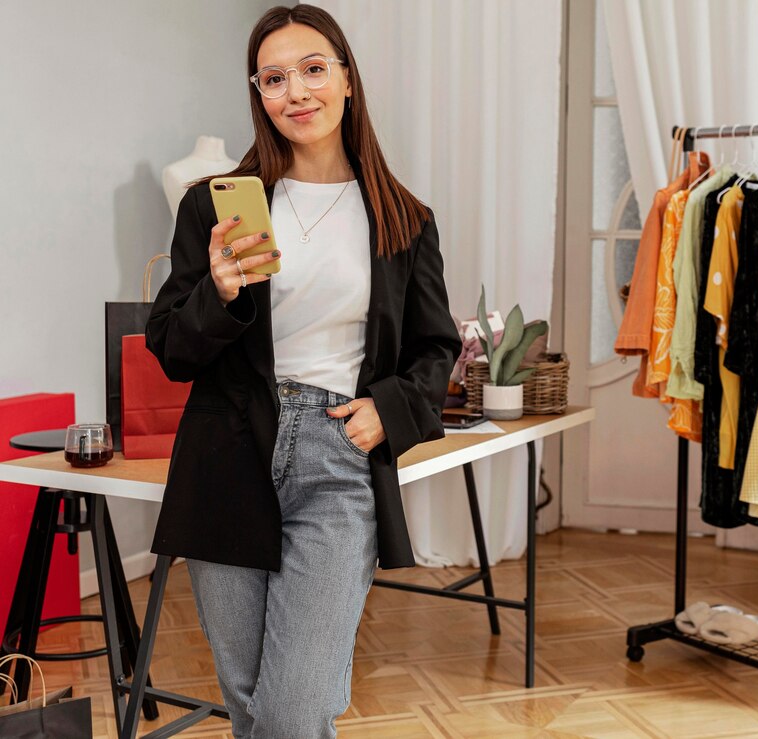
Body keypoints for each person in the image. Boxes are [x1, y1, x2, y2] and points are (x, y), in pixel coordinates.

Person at [145, 5, 461, 737]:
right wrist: (218, 293)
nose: (297, 92)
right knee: (250, 695)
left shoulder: (403, 219)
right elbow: (169, 346)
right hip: (226, 455)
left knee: (293, 707)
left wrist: (393, 407)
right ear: (258, 94)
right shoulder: (214, 209)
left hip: (336, 456)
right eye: (274, 78)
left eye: (313, 69)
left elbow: (436, 349)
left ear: (347, 79)